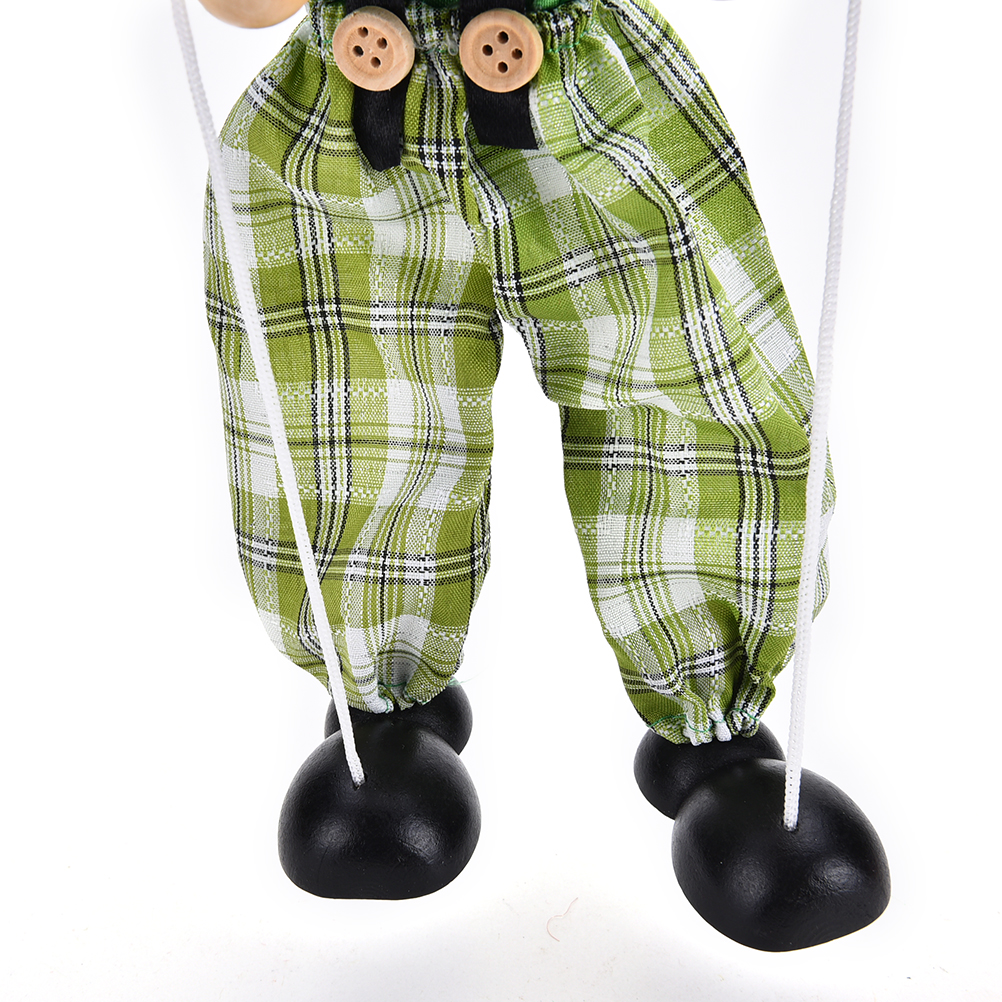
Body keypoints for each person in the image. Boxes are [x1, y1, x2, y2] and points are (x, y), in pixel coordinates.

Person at [193, 0, 889, 949]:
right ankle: (379, 713)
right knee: (345, 406)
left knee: (691, 382)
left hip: (582, 89)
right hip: (347, 109)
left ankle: (715, 726)